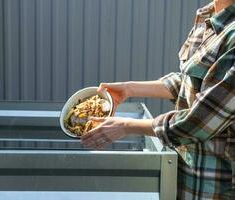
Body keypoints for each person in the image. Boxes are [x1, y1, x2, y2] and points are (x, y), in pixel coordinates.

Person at [81, 0, 235, 199]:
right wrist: (128, 89)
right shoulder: (208, 15)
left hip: (215, 188)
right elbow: (190, 82)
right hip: (184, 176)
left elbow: (200, 122)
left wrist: (126, 126)